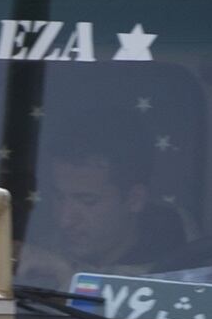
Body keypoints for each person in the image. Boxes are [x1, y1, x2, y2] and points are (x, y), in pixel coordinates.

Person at [28, 117, 185, 289]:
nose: (64, 220)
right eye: (59, 197)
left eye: (87, 201)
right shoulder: (33, 260)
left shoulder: (187, 273)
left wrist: (66, 277)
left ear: (134, 199)